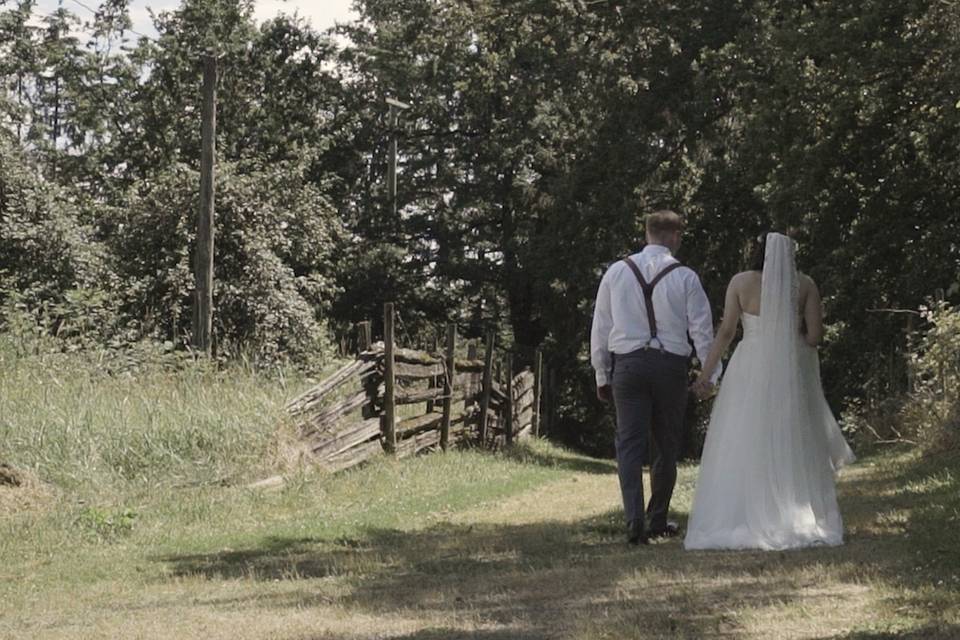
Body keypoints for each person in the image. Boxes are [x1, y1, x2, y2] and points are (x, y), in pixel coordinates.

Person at [685, 232, 856, 550]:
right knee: (791, 436)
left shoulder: (740, 282)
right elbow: (816, 336)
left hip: (748, 365)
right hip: (788, 369)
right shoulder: (805, 284)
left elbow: (725, 332)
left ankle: (741, 512)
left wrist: (705, 375)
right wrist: (794, 338)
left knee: (743, 435)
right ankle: (794, 511)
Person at [590, 210, 720, 545]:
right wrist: (710, 376)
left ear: (647, 234)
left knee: (630, 445)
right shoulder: (686, 277)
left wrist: (602, 374)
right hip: (669, 368)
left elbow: (601, 328)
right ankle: (658, 518)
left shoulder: (616, 272)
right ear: (675, 237)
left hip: (628, 366)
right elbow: (702, 332)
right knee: (666, 444)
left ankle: (634, 522)